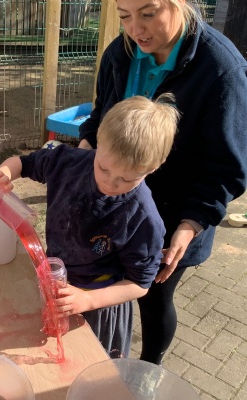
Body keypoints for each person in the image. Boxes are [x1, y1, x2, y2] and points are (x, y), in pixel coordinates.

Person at [78, 0, 247, 365]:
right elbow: (98, 119)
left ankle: (149, 371)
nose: (135, 29)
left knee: (153, 297)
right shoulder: (120, 53)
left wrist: (190, 225)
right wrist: (80, 162)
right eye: (124, 16)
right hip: (114, 204)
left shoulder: (221, 70)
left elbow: (226, 168)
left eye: (148, 13)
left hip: (174, 215)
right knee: (109, 284)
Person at [0, 94, 180, 358]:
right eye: (103, 168)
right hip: (56, 284)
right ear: (99, 141)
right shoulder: (68, 162)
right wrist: (5, 173)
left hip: (99, 303)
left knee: (90, 364)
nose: (110, 183)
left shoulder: (143, 218)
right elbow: (24, 162)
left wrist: (87, 300)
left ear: (153, 168)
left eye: (126, 180)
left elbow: (140, 284)